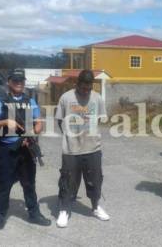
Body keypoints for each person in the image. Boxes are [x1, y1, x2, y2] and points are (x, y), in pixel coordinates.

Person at [0, 70, 51, 235]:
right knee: (4, 186)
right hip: (7, 150)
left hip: (26, 149)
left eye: (21, 80)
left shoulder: (30, 101)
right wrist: (5, 121)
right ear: (9, 82)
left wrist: (32, 134)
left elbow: (39, 123)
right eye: (15, 80)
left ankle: (34, 213)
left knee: (29, 184)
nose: (19, 83)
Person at [55, 69, 109, 228]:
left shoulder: (97, 98)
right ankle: (64, 210)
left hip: (92, 148)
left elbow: (98, 120)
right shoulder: (66, 98)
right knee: (68, 180)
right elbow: (60, 121)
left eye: (88, 88)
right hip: (71, 149)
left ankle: (95, 206)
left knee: (95, 180)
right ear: (76, 84)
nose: (85, 91)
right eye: (83, 88)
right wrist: (72, 135)